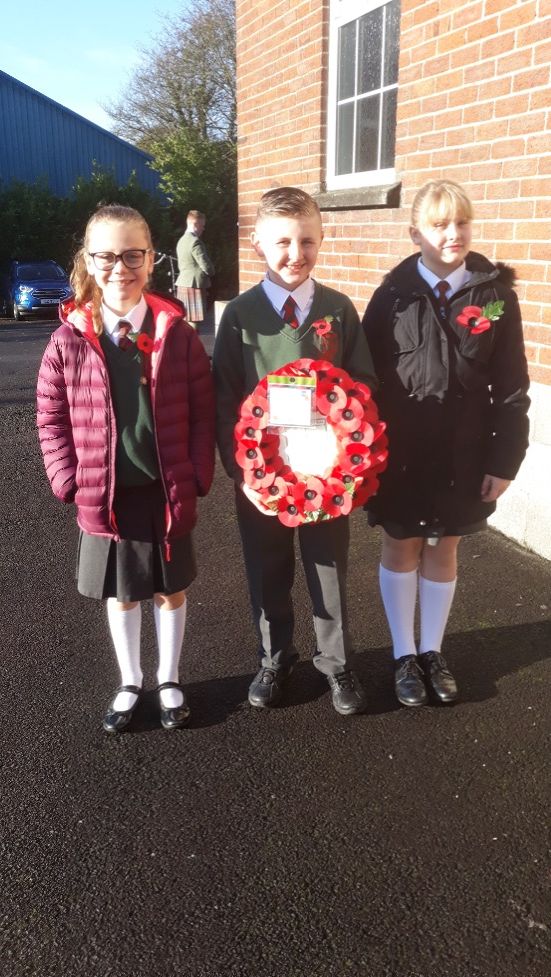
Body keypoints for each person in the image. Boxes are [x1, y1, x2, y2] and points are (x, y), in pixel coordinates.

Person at [37, 204, 215, 733]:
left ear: (151, 258)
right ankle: (130, 679)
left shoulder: (177, 335)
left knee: (170, 588)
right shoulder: (68, 340)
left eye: (132, 254)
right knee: (120, 593)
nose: (121, 267)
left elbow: (204, 411)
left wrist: (200, 472)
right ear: (89, 262)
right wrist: (67, 478)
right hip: (105, 491)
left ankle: (169, 677)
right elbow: (50, 418)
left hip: (165, 487)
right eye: (107, 256)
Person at [362, 179, 530, 708]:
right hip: (402, 451)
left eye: (461, 222)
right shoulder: (390, 295)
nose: (452, 233)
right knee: (401, 544)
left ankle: (433, 650)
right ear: (416, 233)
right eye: (438, 224)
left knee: (445, 547)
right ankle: (403, 654)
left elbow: (512, 385)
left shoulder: (494, 294)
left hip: (465, 450)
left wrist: (505, 460)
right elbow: (365, 381)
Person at [213, 186, 377, 715]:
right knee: (268, 568)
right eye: (282, 240)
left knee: (328, 568)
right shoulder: (240, 316)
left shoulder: (338, 310)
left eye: (307, 240)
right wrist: (244, 478)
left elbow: (365, 384)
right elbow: (224, 401)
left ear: (322, 238)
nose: (295, 253)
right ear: (258, 242)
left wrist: (353, 460)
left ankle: (336, 663)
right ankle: (274, 658)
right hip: (265, 478)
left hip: (327, 474)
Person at [175, 210, 215, 330]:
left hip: (183, 283)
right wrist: (212, 272)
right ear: (195, 224)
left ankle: (186, 345)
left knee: (186, 319)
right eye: (202, 226)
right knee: (193, 322)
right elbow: (205, 264)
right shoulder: (195, 241)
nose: (203, 229)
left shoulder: (181, 240)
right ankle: (192, 346)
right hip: (194, 284)